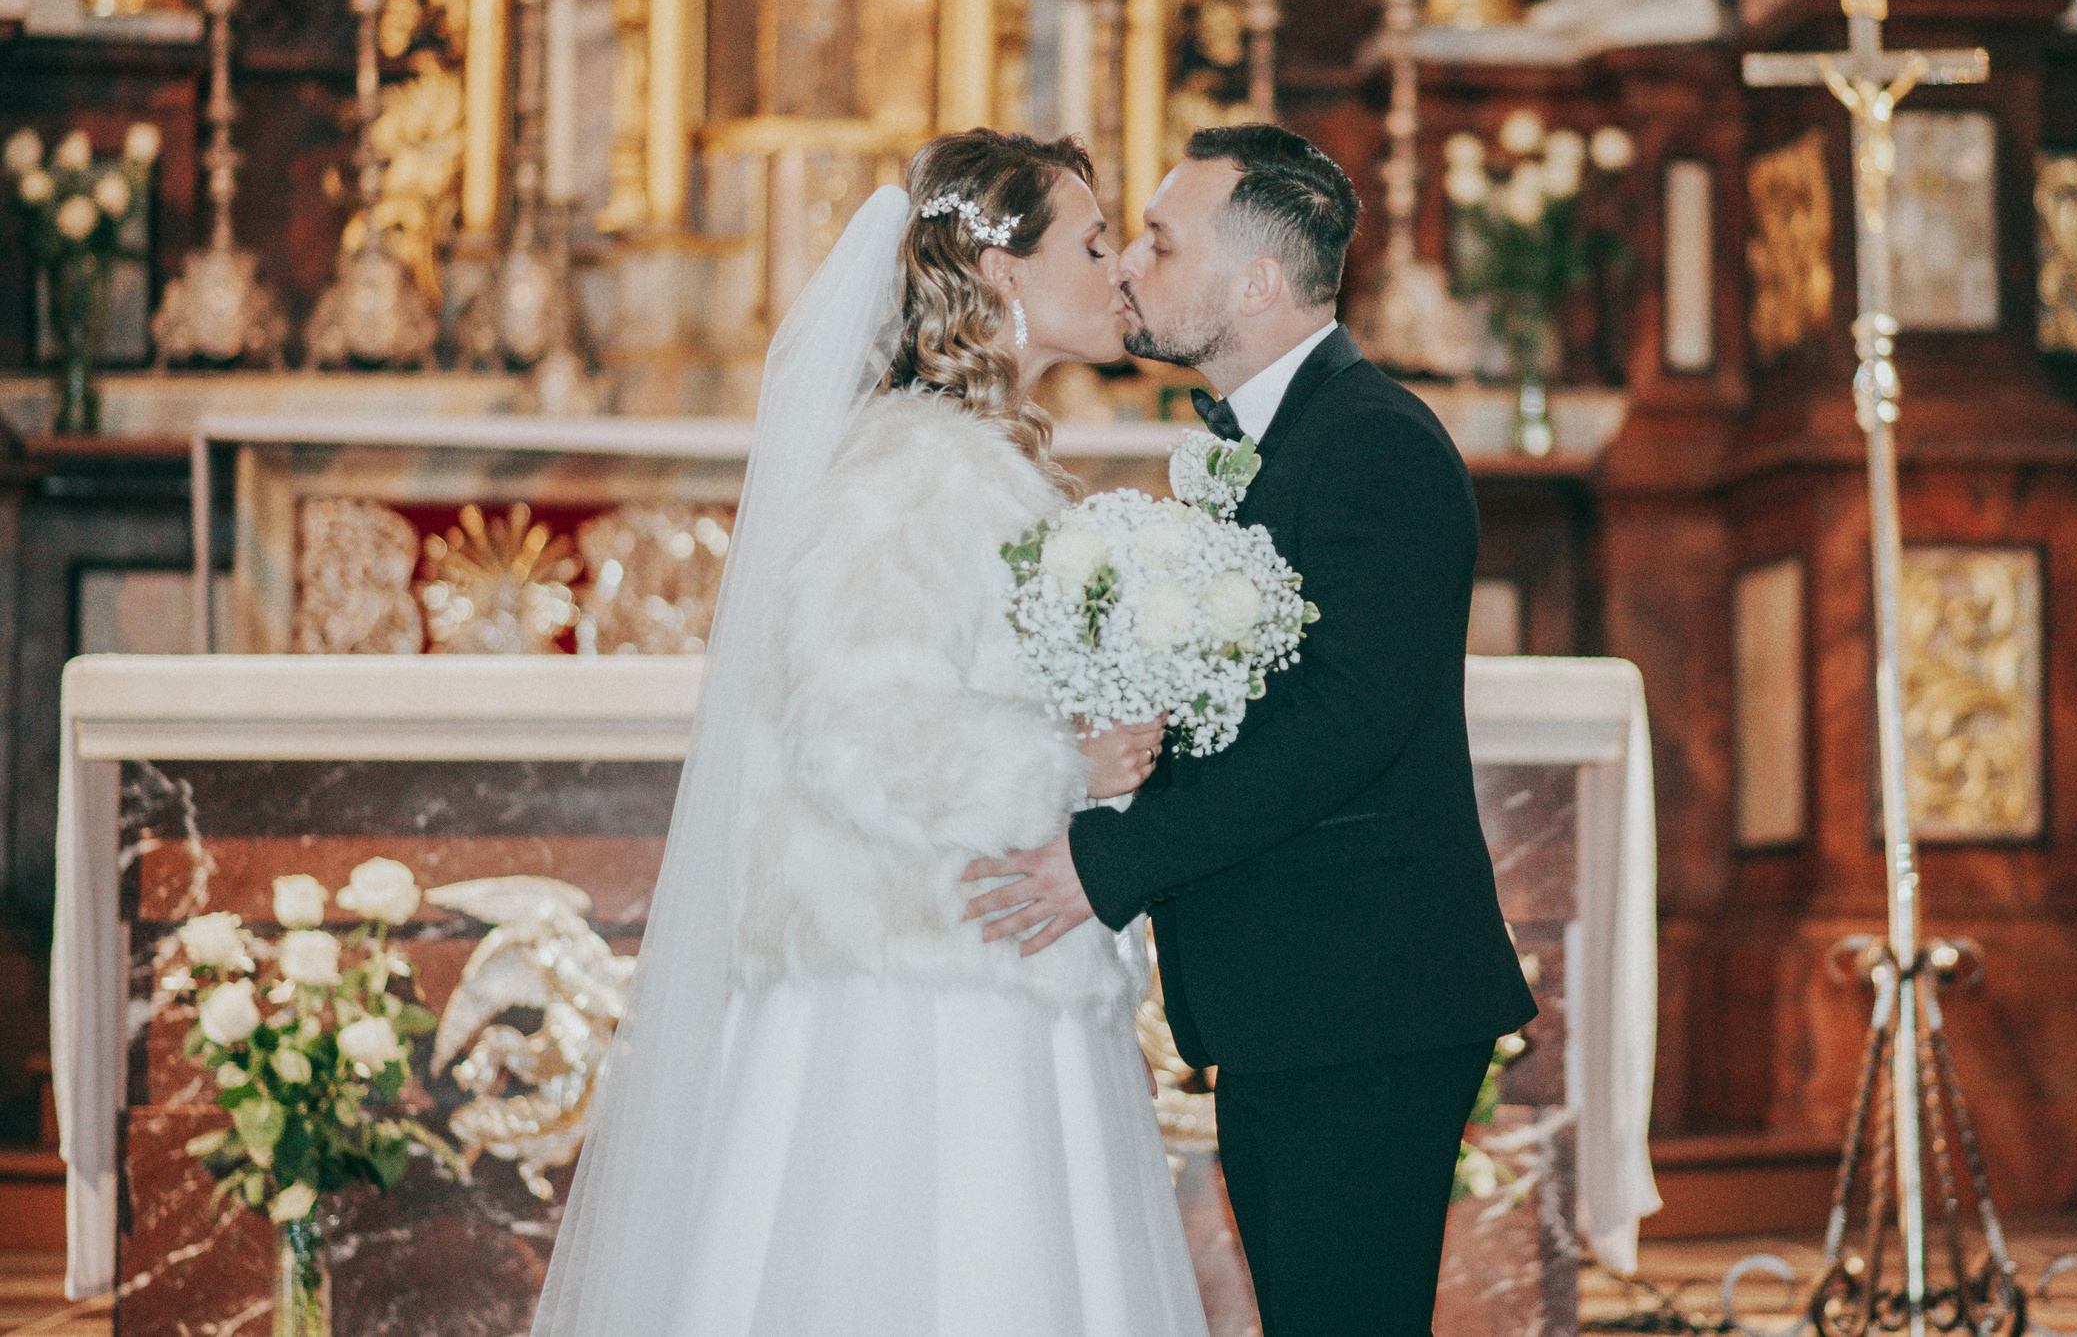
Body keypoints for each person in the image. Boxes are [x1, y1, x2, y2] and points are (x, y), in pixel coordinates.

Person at [530, 131, 1209, 1337]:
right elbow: (855, 717)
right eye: (1092, 241)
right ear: (1000, 270)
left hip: (985, 945)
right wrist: (1063, 764)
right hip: (917, 987)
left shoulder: (973, 461)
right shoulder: (918, 468)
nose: (1116, 270)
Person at [967, 125, 1537, 1337]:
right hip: (1300, 998)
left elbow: (1343, 722)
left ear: (1257, 283)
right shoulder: (1273, 444)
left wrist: (1107, 860)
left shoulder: (1375, 442)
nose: (1130, 266)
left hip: (1363, 998)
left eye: (1162, 243)